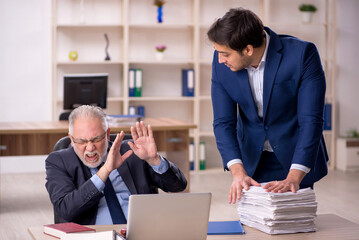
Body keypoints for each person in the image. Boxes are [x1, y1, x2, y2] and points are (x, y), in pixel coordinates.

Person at [207, 8, 328, 204]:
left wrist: (294, 177)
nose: (220, 59)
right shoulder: (221, 63)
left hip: (295, 157)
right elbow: (223, 122)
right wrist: (237, 172)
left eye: (225, 54)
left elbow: (311, 120)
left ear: (248, 49)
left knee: (294, 226)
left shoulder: (302, 54)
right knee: (255, 226)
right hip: (252, 161)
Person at [45, 105, 187, 225]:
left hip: (141, 233)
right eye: (81, 141)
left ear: (107, 134)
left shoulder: (133, 151)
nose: (90, 148)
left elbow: (178, 186)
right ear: (71, 138)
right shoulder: (58, 161)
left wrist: (154, 160)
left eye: (96, 139)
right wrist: (106, 170)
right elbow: (66, 209)